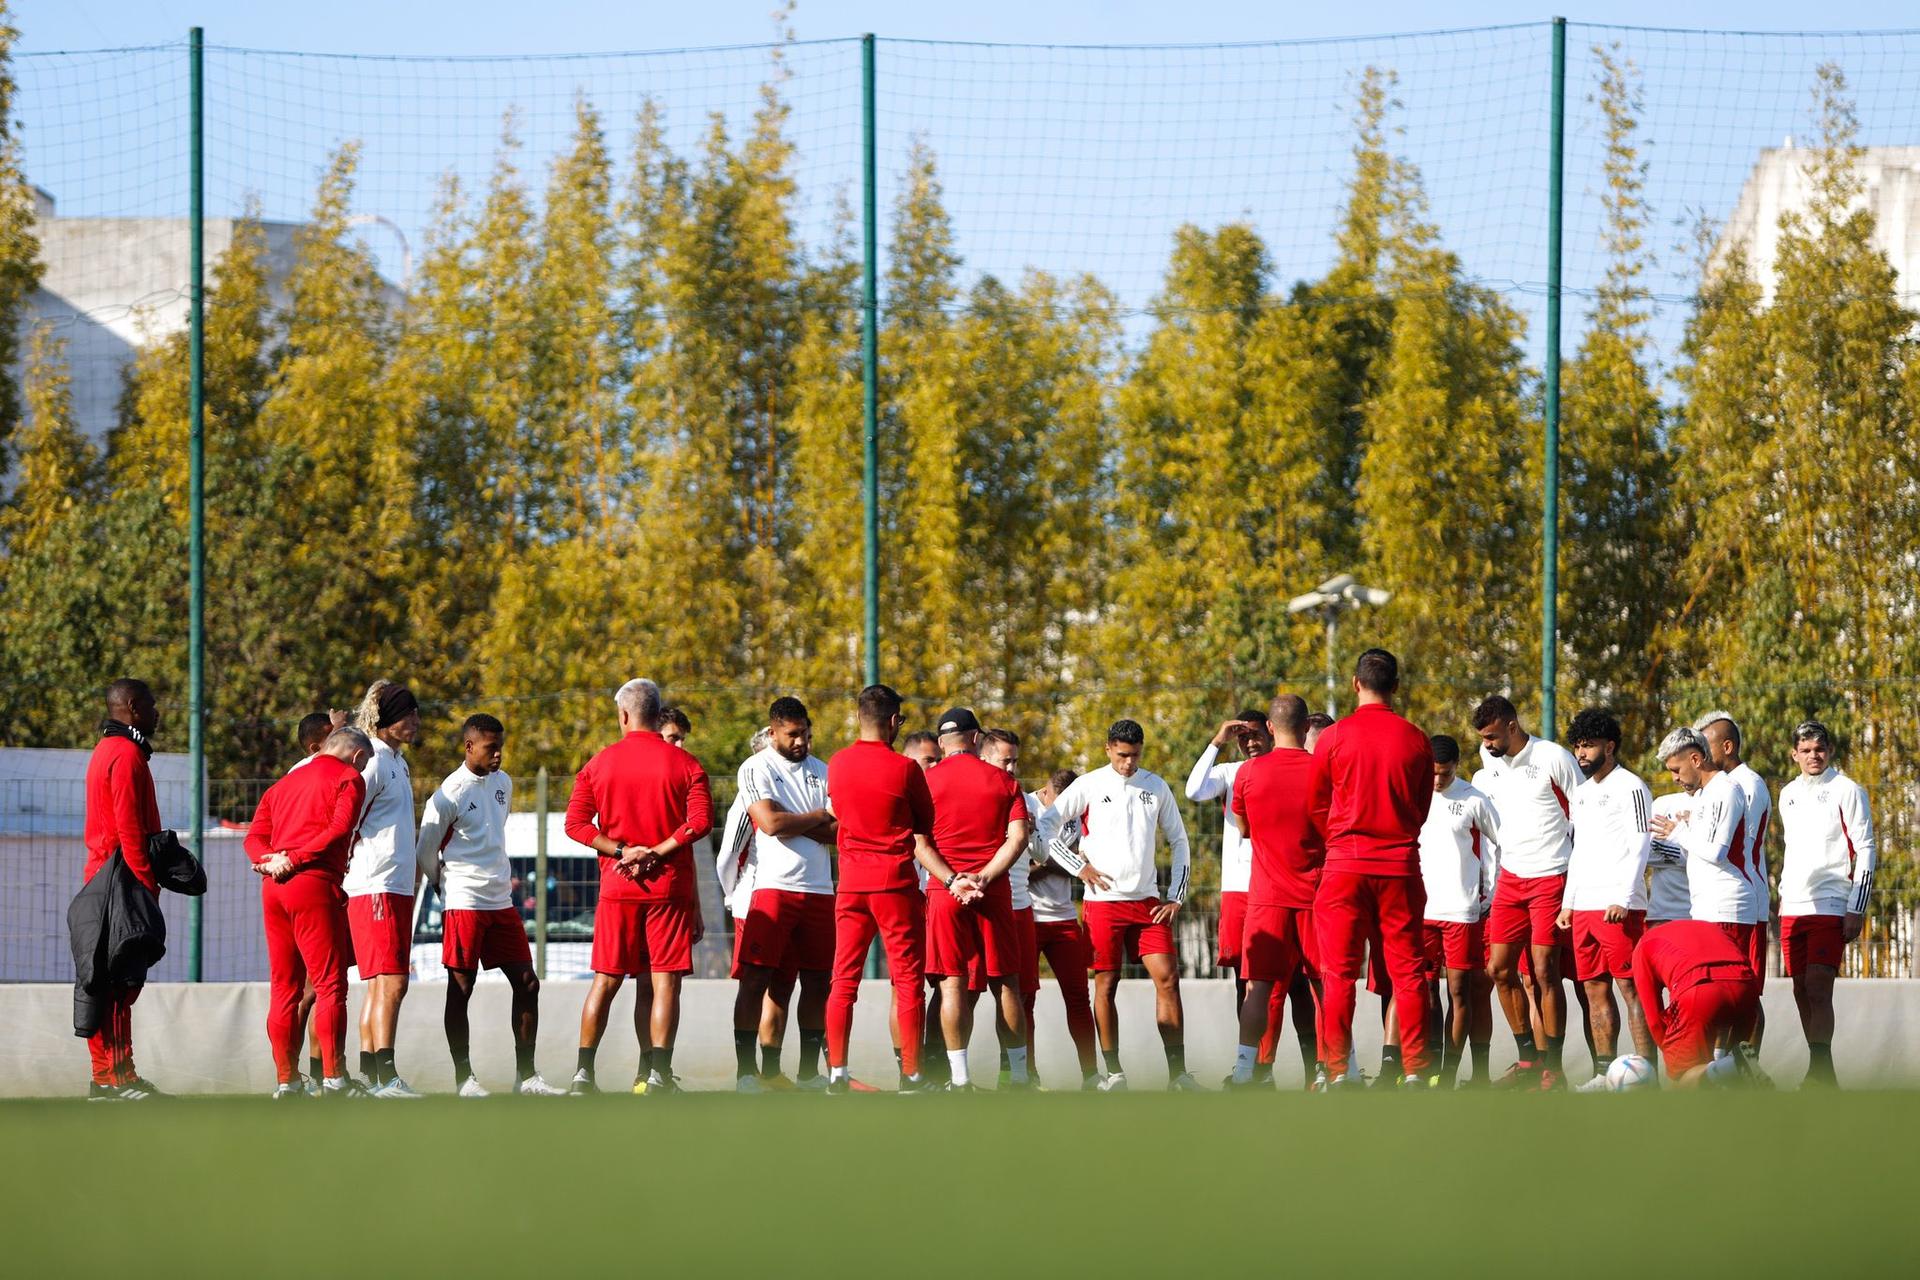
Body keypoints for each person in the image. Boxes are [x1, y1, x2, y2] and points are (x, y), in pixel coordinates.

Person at [824, 685, 973, 1093]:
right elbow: (925, 824)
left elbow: (837, 810)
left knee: (843, 980)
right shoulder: (905, 769)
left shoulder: (836, 764)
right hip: (894, 884)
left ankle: (836, 1072)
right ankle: (911, 1075)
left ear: (859, 717)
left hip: (851, 884)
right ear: (894, 722)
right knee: (907, 981)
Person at [567, 679, 713, 1095]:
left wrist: (621, 851)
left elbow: (575, 824)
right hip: (667, 888)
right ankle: (658, 1075)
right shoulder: (686, 765)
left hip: (618, 887)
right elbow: (700, 822)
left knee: (606, 980)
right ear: (656, 713)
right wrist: (657, 850)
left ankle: (582, 1075)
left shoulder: (599, 763)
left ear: (624, 715)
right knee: (664, 983)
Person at [1045, 719, 1197, 1092]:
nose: (1129, 763)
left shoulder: (1155, 786)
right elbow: (1045, 827)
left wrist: (1175, 895)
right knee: (1106, 984)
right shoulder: (1089, 785)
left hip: (1147, 904)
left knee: (1167, 979)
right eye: (1122, 755)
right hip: (1103, 904)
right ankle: (1113, 1073)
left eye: (1135, 756)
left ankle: (1178, 1074)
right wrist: (1079, 866)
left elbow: (1179, 840)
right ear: (1108, 748)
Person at [416, 715, 564, 1096]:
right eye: (489, 747)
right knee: (461, 988)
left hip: (501, 900)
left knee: (528, 983)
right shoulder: (449, 793)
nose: (498, 754)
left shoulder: (504, 783)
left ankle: (526, 1077)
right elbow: (425, 850)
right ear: (469, 746)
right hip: (464, 900)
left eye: (500, 746)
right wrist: (441, 884)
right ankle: (464, 1078)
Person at [1309, 651, 1434, 1089]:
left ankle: (1339, 1071)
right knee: (1409, 971)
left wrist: (1341, 839)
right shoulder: (1416, 739)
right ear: (1396, 686)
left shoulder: (1333, 737)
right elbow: (1421, 808)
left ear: (1354, 683)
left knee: (1339, 973)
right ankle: (1416, 1070)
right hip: (1399, 864)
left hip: (1345, 866)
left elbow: (1317, 805)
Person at [245, 727, 371, 1099]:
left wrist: (268, 863)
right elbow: (339, 828)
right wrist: (295, 858)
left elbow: (253, 837)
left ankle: (287, 1081)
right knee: (330, 985)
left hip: (275, 889)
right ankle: (334, 1079)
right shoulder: (349, 778)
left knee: (284, 988)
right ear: (358, 757)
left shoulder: (283, 784)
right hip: (314, 884)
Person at [1472, 693, 1582, 1089]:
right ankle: (1529, 1059)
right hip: (1510, 879)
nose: (1486, 744)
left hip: (1551, 877)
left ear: (1512, 727)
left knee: (1544, 972)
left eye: (1491, 735)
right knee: (1499, 969)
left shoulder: (1553, 758)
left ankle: (1554, 1067)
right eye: (1483, 738)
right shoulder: (1489, 769)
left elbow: (1583, 816)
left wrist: (1576, 880)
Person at [731, 698, 836, 1093]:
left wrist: (793, 818)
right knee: (757, 979)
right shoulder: (755, 767)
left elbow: (839, 831)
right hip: (774, 888)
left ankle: (808, 1073)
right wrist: (815, 817)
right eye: (793, 735)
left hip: (820, 890)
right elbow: (770, 823)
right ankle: (747, 1072)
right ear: (773, 732)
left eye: (806, 734)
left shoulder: (823, 771)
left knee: (816, 983)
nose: (801, 742)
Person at [924, 709, 1031, 1090]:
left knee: (952, 984)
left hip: (945, 890)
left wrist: (953, 880)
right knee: (1006, 984)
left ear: (941, 743)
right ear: (975, 739)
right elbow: (1018, 838)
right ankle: (1018, 1077)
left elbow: (917, 843)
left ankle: (960, 1078)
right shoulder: (1003, 780)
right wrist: (984, 877)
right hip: (994, 889)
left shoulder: (926, 781)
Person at [1226, 694, 1325, 1089]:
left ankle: (1245, 1072)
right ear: (1306, 728)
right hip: (1316, 895)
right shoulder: (1323, 769)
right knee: (1325, 985)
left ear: (1270, 728)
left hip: (1266, 896)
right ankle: (1336, 1069)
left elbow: (1245, 828)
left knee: (1258, 988)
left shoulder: (1248, 773)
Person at [1185, 710, 1289, 1081]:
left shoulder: (1283, 767)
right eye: (1242, 736)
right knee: (1242, 982)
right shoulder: (1231, 772)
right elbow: (1194, 790)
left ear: (1271, 732)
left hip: (1276, 885)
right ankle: (1249, 1064)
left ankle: (1270, 1065)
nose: (1250, 742)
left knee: (1280, 983)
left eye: (1256, 734)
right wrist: (1217, 741)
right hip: (1237, 890)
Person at [78, 679, 169, 1100]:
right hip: (120, 880)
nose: (156, 712)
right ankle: (114, 1079)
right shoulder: (127, 754)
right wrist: (146, 883)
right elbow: (130, 828)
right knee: (118, 983)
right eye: (151, 705)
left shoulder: (106, 750)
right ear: (132, 707)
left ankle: (113, 1076)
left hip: (103, 876)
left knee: (110, 981)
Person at [1557, 708, 1656, 1092]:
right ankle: (1604, 1073)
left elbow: (1640, 841)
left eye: (1589, 745)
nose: (1581, 753)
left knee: (1631, 987)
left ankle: (1646, 1072)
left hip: (1619, 906)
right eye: (1578, 746)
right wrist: (1569, 901)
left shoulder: (1631, 786)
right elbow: (1578, 850)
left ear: (1609, 746)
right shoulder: (1581, 793)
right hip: (1584, 908)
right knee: (1594, 988)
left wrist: (1623, 896)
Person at [1776, 720, 1876, 1088]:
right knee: (1800, 987)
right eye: (1805, 750)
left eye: (1819, 749)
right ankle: (1821, 1070)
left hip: (1831, 901)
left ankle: (1820, 1070)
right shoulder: (1787, 793)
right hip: (1793, 905)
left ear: (1829, 751)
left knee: (1819, 984)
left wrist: (1856, 906)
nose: (1813, 755)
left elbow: (1865, 847)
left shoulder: (1847, 789)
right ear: (1794, 755)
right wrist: (1783, 898)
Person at [344, 680, 423, 1098]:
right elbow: (349, 821)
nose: (414, 721)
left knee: (379, 984)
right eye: (407, 713)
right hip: (375, 884)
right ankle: (386, 1075)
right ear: (387, 717)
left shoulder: (397, 760)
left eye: (415, 713)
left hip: (394, 885)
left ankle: (372, 1074)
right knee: (392, 981)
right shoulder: (372, 760)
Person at [717, 727, 801, 1085]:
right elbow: (728, 854)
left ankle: (771, 1070)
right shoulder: (747, 797)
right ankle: (747, 1071)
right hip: (754, 903)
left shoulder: (798, 792)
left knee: (783, 986)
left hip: (792, 895)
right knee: (755, 984)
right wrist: (733, 895)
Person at [1417, 734, 1500, 1088]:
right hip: (1421, 909)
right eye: (1433, 773)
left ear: (1456, 768)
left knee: (1460, 990)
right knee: (1424, 990)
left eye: (1445, 774)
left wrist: (1490, 893)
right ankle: (1430, 1067)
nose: (1437, 781)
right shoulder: (1411, 793)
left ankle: (1450, 1073)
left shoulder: (1473, 799)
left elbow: (1503, 843)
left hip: (1461, 910)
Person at [1694, 710, 1772, 1050]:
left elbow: (1737, 846)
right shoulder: (1717, 787)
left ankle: (1746, 1065)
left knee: (1746, 990)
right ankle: (1723, 1062)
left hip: (1746, 900)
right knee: (1724, 987)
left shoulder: (1747, 784)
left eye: (1706, 746)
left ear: (1727, 746)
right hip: (1719, 901)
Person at [1026, 767, 1099, 1088]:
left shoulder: (1075, 811)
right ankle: (1026, 1075)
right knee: (1024, 998)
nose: (1065, 809)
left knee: (1079, 998)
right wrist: (1067, 862)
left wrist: (1055, 861)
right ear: (1046, 791)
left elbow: (1086, 858)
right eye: (1061, 802)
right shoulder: (1026, 807)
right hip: (1027, 916)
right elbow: (1021, 867)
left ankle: (1091, 1075)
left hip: (1065, 918)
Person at [1631, 920, 1765, 1089]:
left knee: (1682, 1082)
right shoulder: (1708, 926)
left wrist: (1672, 1053)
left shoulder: (1643, 945)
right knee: (1730, 1080)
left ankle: (1732, 1065)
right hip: (1746, 986)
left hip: (1700, 990)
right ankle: (1733, 1070)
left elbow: (1652, 1018)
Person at [980, 729, 1042, 1088]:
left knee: (1020, 995)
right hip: (986, 903)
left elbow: (1043, 853)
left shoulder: (1024, 799)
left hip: (1020, 907)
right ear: (985, 756)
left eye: (1015, 760)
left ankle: (1016, 1072)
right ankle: (951, 1074)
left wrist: (1032, 834)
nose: (1012, 767)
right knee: (967, 991)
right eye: (1006, 760)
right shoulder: (978, 795)